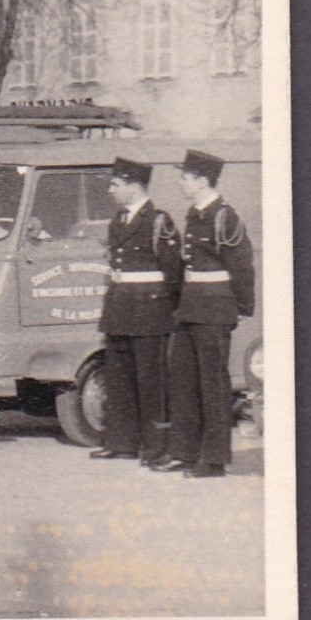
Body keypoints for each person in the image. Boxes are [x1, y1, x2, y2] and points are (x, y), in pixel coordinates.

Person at [161, 149, 256, 478]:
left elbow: (242, 267)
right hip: (191, 309)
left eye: (185, 178)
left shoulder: (223, 217)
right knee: (183, 382)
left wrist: (242, 307)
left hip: (214, 311)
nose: (181, 183)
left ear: (202, 181)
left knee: (212, 385)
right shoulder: (195, 213)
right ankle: (185, 452)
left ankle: (213, 460)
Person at [89, 157, 183, 464]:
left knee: (151, 383)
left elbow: (173, 272)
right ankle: (121, 443)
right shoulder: (118, 221)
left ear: (134, 185)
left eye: (116, 184)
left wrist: (164, 309)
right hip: (119, 311)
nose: (110, 189)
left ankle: (156, 449)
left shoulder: (159, 221)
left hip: (149, 312)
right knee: (119, 380)